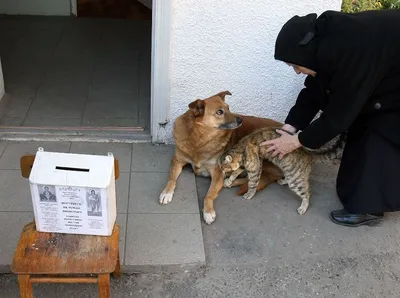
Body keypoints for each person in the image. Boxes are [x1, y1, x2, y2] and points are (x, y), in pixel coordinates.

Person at [260, 10, 400, 227]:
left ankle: (369, 209)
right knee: (363, 125)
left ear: (305, 53)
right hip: (388, 66)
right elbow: (314, 91)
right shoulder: (326, 46)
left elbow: (338, 116)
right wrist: (290, 127)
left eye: (296, 65)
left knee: (381, 131)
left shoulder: (353, 50)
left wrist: (297, 141)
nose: (297, 72)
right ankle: (359, 194)